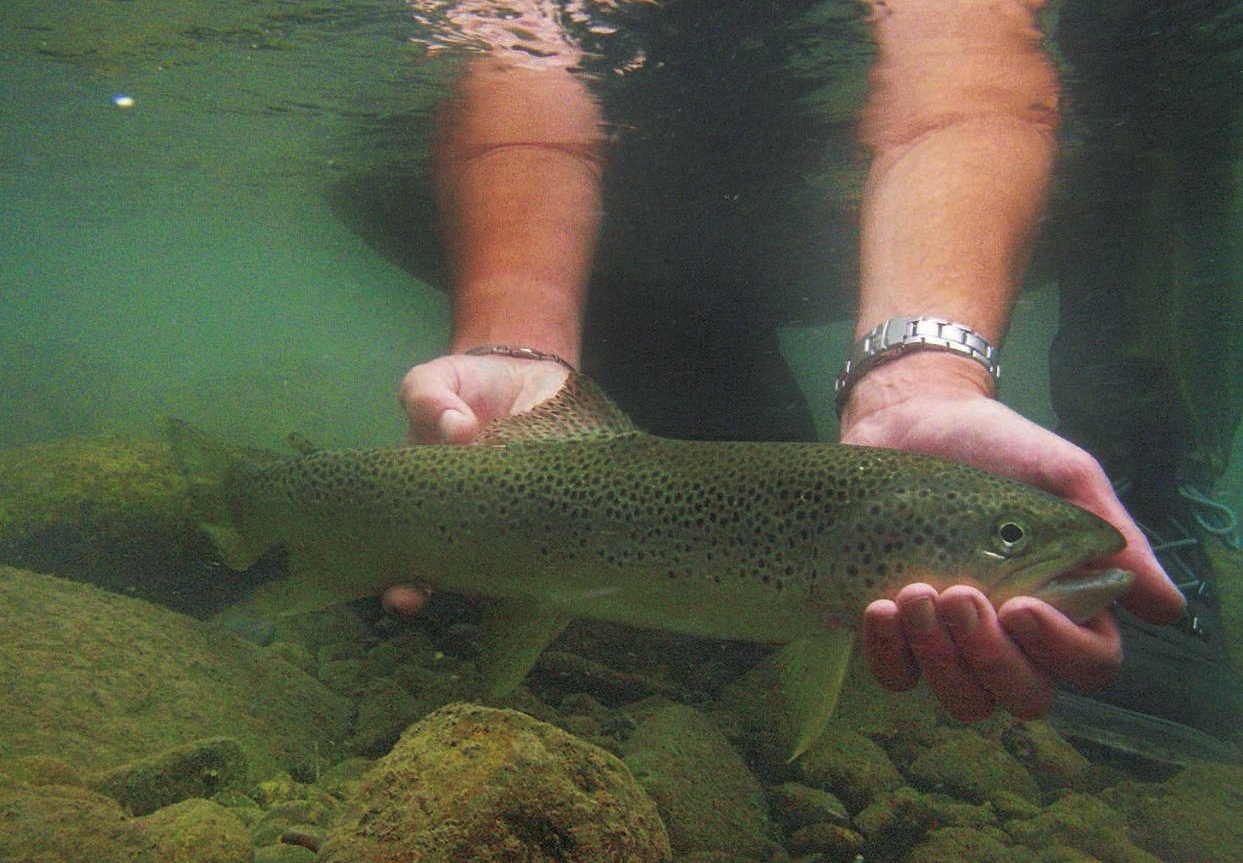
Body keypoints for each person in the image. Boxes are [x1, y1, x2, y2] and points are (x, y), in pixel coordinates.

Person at [392, 0, 1187, 722]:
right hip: (613, 211)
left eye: (1008, 535)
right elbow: (523, 100)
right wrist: (514, 348)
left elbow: (956, 101)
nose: (1017, 541)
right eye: (1007, 534)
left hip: (761, 224)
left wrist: (925, 374)